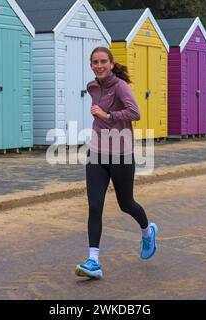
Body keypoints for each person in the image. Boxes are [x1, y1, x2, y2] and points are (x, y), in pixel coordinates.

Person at [75, 47, 158, 279]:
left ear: (111, 64)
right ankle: (93, 261)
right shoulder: (92, 86)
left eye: (103, 61)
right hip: (96, 153)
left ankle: (147, 231)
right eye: (95, 62)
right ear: (91, 65)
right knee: (94, 206)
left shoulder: (121, 86)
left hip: (121, 154)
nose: (99, 65)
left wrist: (108, 116)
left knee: (126, 203)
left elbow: (135, 113)